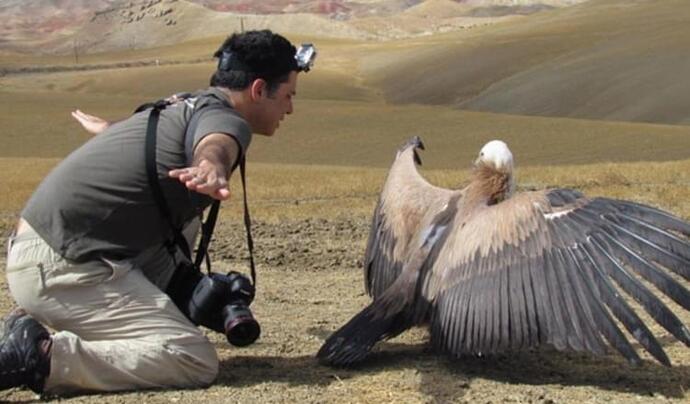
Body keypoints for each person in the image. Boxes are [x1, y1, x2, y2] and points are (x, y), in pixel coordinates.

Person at [0, 30, 314, 395]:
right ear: (259, 89)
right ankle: (39, 357)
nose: (290, 108)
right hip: (61, 265)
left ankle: (152, 301)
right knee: (192, 357)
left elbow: (168, 140)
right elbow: (216, 142)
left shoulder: (182, 104)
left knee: (186, 221)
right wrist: (210, 166)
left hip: (46, 249)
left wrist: (110, 130)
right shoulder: (229, 122)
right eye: (288, 95)